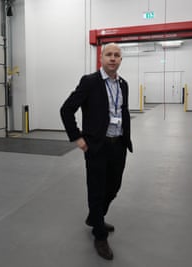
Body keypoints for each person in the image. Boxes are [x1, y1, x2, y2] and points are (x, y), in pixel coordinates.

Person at [60, 42, 133, 260]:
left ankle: (95, 217)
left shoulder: (124, 84)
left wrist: (126, 137)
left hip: (118, 144)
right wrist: (77, 137)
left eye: (117, 55)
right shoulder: (90, 82)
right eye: (109, 54)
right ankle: (99, 234)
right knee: (97, 190)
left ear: (121, 60)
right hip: (97, 147)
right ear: (101, 58)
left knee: (114, 187)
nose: (113, 58)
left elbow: (123, 111)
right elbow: (66, 109)